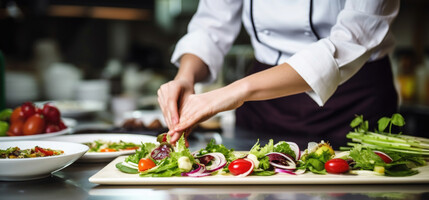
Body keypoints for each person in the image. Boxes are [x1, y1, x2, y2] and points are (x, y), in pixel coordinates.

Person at [157, 0, 400, 148]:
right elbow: (211, 26)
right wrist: (185, 78)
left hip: (350, 95)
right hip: (265, 103)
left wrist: (236, 91)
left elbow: (353, 38)